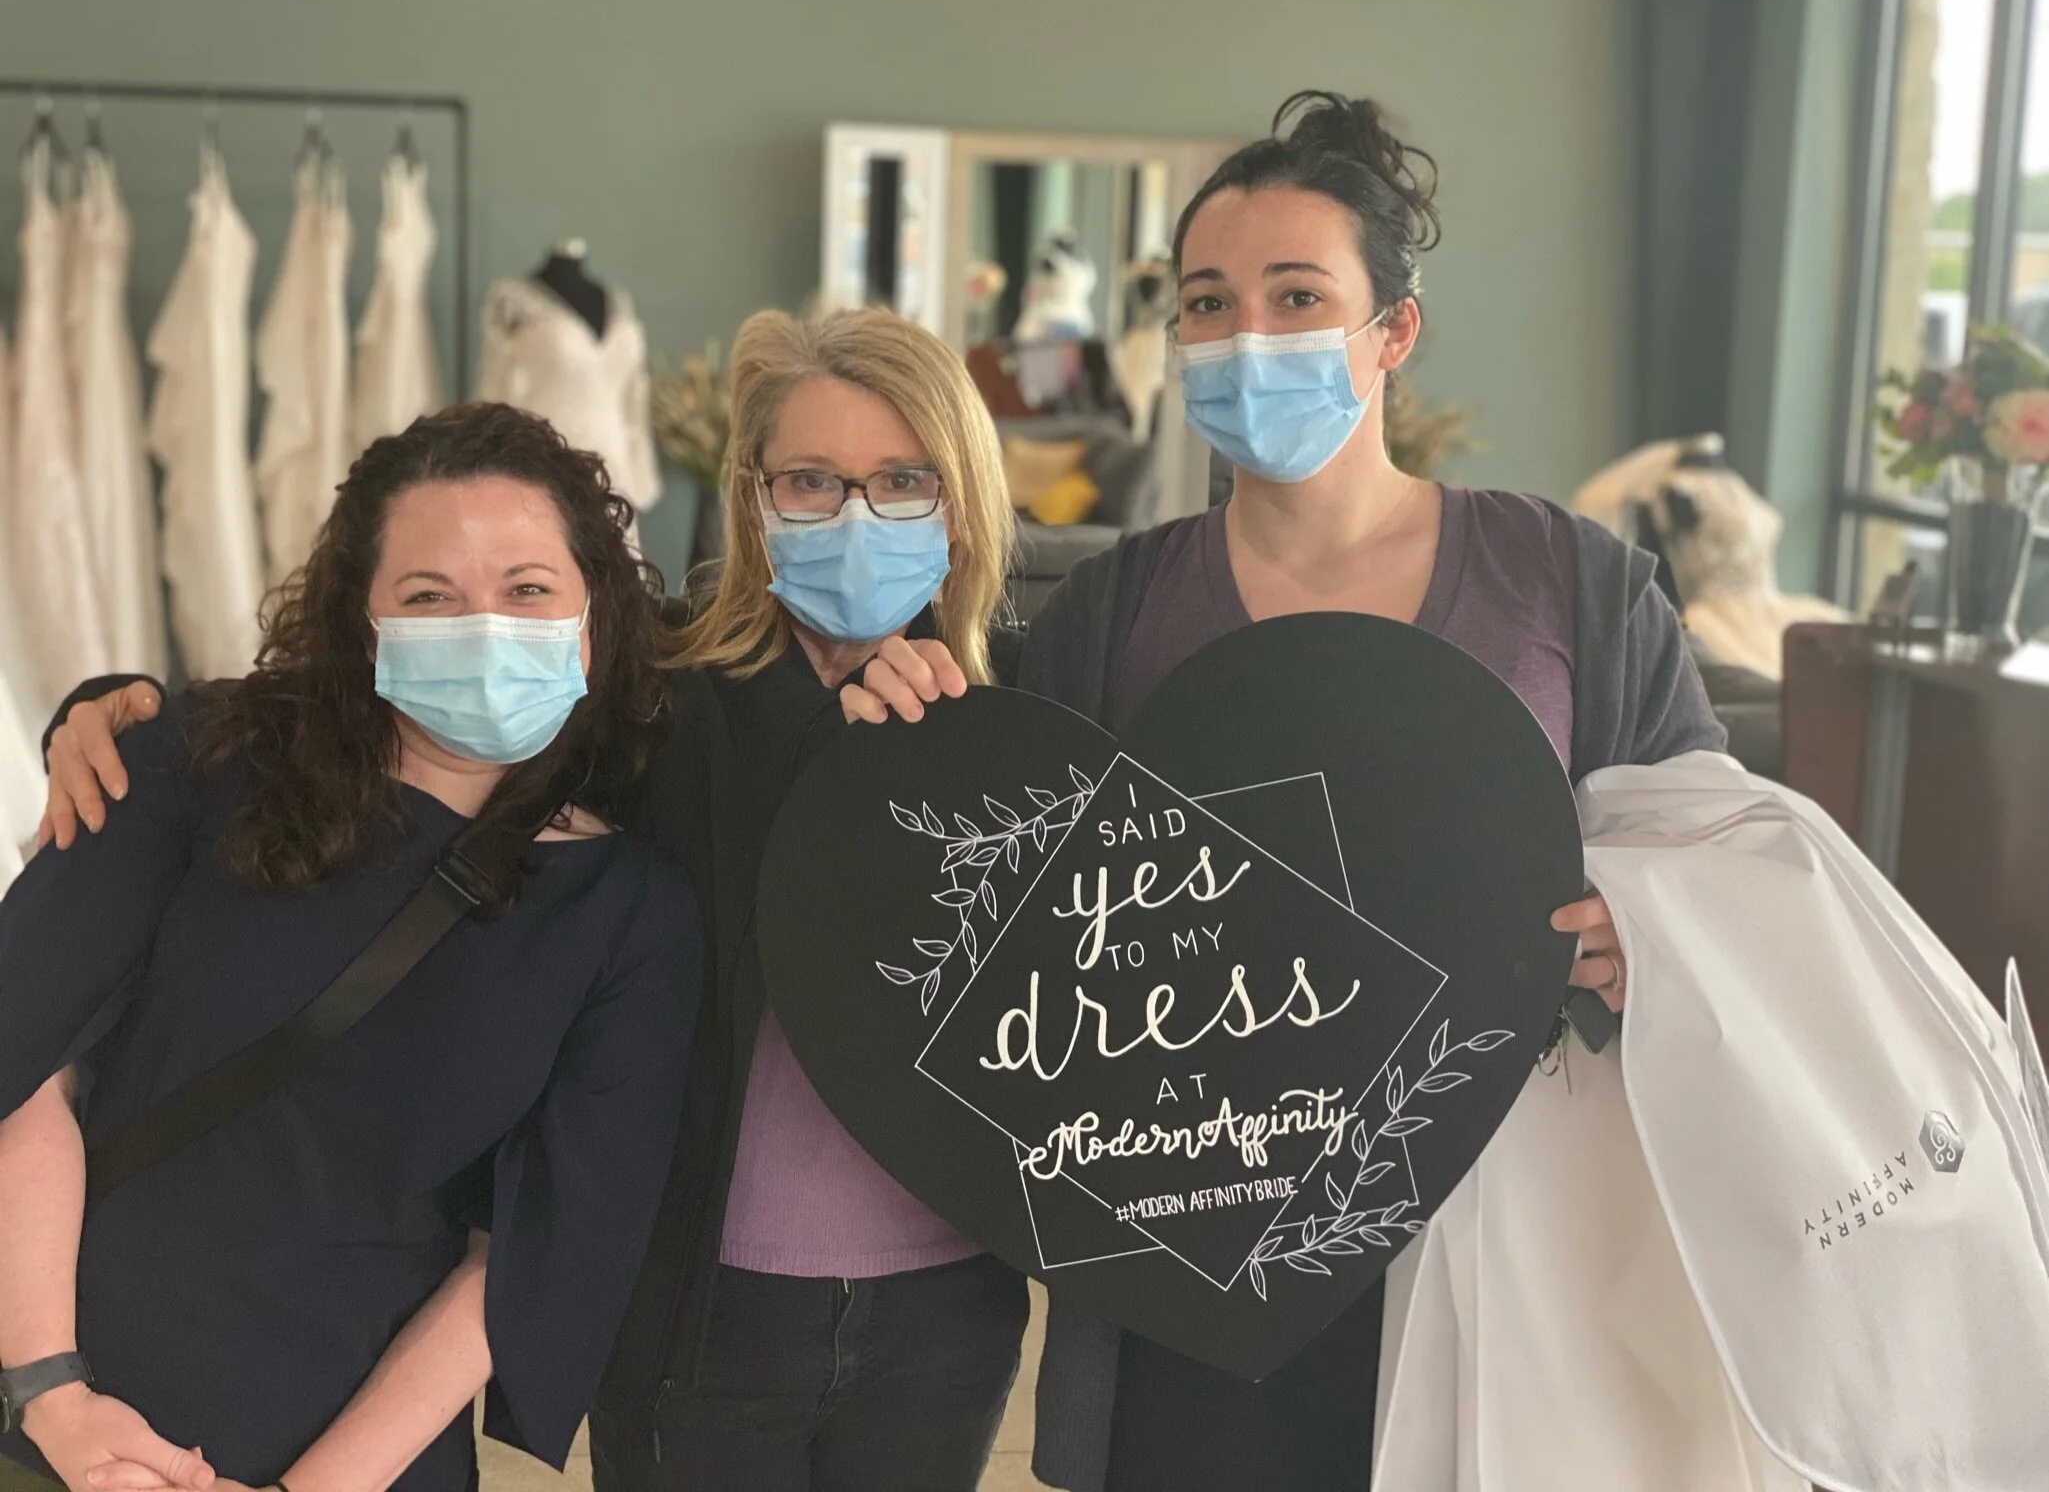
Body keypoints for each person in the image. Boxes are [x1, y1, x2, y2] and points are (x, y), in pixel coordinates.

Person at [841, 90, 1726, 1492]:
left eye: (1297, 296)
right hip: (1194, 1256)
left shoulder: (1569, 586)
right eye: (1207, 302)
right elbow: (1012, 908)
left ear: (1394, 331)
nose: (1246, 335)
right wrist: (908, 711)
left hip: (1506, 1235)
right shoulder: (1111, 612)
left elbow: (1714, 846)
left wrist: (1651, 928)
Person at [36, 308, 1030, 1492]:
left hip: (944, 1306)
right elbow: (422, 711)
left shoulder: (1026, 718)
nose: (854, 517)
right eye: (811, 480)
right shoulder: (661, 707)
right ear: (753, 500)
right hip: (700, 1307)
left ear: (962, 496)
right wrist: (113, 712)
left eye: (902, 480)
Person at [0, 403, 700, 1492]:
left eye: (527, 589)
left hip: (364, 1452)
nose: (484, 627)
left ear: (594, 613)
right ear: (365, 623)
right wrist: (54, 1398)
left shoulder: (629, 912)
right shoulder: (194, 761)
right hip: (72, 1418)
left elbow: (519, 1252)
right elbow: (24, 1061)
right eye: (429, 596)